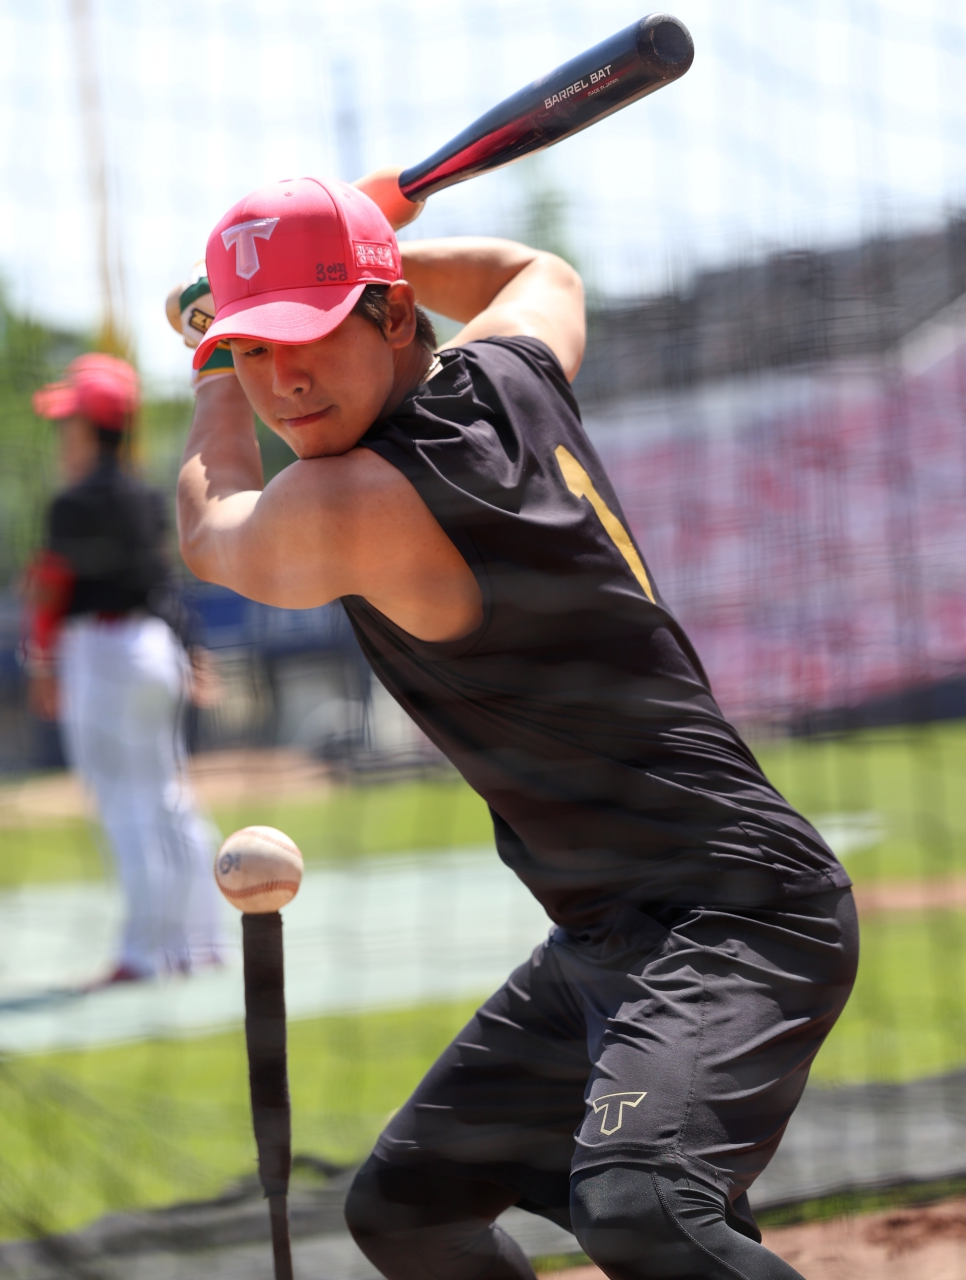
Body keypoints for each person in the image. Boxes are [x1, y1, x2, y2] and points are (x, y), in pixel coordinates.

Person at [174, 173, 858, 1280]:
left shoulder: (353, 499)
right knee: (407, 1211)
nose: (280, 380)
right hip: (603, 933)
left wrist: (207, 363)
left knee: (643, 1208)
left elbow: (212, 529)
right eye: (252, 351)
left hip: (736, 910)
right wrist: (379, 241)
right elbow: (538, 273)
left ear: (394, 316)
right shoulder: (504, 371)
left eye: (307, 334)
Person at [26, 353, 223, 984]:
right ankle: (203, 942)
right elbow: (165, 583)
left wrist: (41, 666)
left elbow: (50, 594)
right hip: (155, 649)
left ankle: (144, 953)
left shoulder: (71, 502)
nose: (63, 435)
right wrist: (193, 650)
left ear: (90, 428)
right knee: (168, 795)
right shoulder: (144, 496)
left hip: (101, 656)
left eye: (69, 423)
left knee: (125, 805)